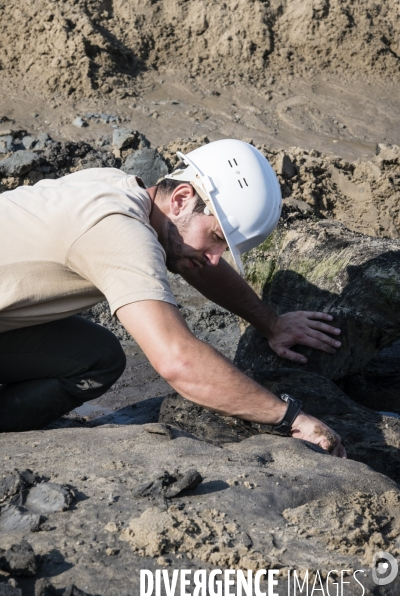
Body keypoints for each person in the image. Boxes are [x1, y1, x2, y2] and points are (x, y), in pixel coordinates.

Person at [0, 139, 345, 457]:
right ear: (180, 198)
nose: (214, 258)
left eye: (223, 248)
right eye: (215, 238)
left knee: (96, 358)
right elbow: (178, 363)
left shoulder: (118, 187)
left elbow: (196, 264)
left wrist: (272, 324)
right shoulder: (118, 231)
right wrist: (291, 418)